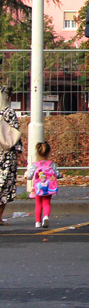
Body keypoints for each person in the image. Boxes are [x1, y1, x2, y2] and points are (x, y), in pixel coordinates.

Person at [0, 85, 23, 226]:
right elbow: (15, 135)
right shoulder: (8, 112)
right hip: (7, 155)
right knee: (5, 187)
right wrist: (20, 152)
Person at [25, 141, 60, 229]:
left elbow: (29, 176)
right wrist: (61, 175)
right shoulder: (51, 164)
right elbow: (57, 174)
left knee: (38, 204)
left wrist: (27, 176)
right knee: (46, 203)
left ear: (37, 153)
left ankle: (37, 222)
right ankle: (46, 217)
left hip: (38, 188)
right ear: (49, 152)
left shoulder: (35, 165)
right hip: (48, 188)